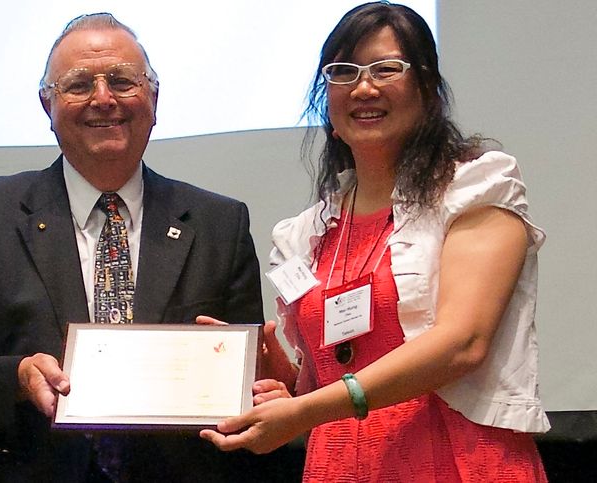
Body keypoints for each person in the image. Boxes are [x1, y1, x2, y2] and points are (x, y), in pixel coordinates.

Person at [0, 12, 275, 483]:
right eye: (79, 85)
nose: (104, 99)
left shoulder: (219, 223)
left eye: (122, 81)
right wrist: (15, 378)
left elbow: (247, 389)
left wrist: (255, 384)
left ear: (153, 99)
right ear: (47, 106)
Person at [200, 2, 549, 480]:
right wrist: (265, 370)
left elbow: (463, 343)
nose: (364, 87)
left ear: (427, 87)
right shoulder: (306, 234)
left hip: (455, 460)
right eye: (343, 72)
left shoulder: (476, 188)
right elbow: (322, 381)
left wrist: (305, 411)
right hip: (338, 464)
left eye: (387, 69)